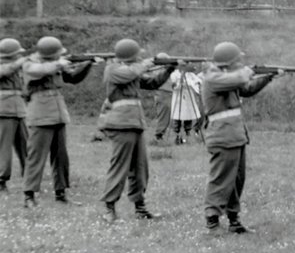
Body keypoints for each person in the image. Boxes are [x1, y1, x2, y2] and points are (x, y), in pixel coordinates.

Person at [202, 41, 281, 235]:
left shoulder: (227, 77)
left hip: (234, 134)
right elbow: (241, 79)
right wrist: (249, 71)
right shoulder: (213, 77)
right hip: (222, 134)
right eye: (238, 61)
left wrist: (268, 76)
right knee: (221, 178)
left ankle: (234, 220)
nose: (240, 64)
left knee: (237, 179)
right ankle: (212, 221)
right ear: (228, 63)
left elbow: (247, 88)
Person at [99, 39, 175, 222]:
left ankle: (140, 208)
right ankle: (109, 209)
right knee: (120, 167)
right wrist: (146, 63)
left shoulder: (131, 70)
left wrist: (169, 69)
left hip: (134, 122)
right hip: (121, 122)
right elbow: (132, 72)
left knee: (140, 169)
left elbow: (152, 83)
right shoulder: (114, 69)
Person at [21, 36, 95, 207]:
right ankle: (29, 196)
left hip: (58, 113)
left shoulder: (55, 64)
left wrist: (88, 64)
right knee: (36, 156)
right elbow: (37, 71)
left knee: (61, 156)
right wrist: (60, 63)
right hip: (40, 113)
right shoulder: (30, 63)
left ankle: (61, 193)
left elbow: (73, 78)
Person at [0, 38, 28, 193]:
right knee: (4, 147)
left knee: (26, 146)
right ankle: (1, 180)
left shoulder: (16, 67)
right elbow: (4, 72)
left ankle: (29, 178)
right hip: (4, 110)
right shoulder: (9, 66)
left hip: (19, 110)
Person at [170, 66, 203, 144]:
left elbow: (198, 81)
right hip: (178, 97)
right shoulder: (174, 74)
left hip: (188, 96)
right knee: (177, 116)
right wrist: (181, 79)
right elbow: (174, 85)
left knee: (188, 115)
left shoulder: (190, 74)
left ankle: (188, 132)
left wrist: (194, 83)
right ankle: (177, 134)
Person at [152, 74, 173, 143]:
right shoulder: (160, 71)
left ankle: (160, 134)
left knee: (166, 114)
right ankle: (158, 135)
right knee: (163, 114)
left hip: (166, 93)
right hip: (163, 93)